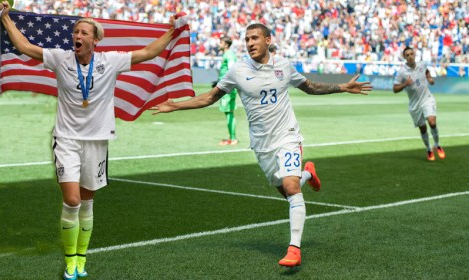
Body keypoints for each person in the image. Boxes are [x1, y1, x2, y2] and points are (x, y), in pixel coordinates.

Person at [152, 23, 372, 267]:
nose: (250, 43)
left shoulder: (284, 66)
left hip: (287, 135)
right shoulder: (238, 70)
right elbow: (210, 97)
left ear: (268, 40)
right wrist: (175, 105)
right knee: (286, 190)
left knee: (291, 188)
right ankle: (307, 173)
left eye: (255, 38)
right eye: (246, 39)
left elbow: (310, 87)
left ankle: (294, 250)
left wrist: (342, 87)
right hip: (262, 144)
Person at [0, 2, 175, 279]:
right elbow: (25, 47)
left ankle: (82, 258)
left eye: (84, 33)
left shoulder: (111, 61)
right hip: (67, 139)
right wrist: (5, 18)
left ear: (95, 39)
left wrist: (173, 30)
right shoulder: (60, 58)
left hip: (97, 142)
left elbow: (148, 53)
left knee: (88, 202)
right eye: (75, 32)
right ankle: (70, 260)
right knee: (72, 201)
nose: (77, 37)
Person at [393, 46, 445, 161]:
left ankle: (437, 145)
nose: (410, 57)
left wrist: (430, 78)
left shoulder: (422, 64)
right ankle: (429, 150)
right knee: (423, 129)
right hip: (414, 105)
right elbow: (395, 89)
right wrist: (405, 84)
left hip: (427, 99)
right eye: (407, 55)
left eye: (411, 54)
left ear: (414, 54)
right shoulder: (402, 72)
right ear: (404, 57)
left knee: (432, 122)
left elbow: (426, 71)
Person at [217, 37, 239, 145]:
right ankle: (232, 137)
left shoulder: (229, 55)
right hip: (225, 87)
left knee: (229, 112)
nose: (219, 44)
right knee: (228, 112)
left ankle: (233, 138)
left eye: (221, 42)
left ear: (226, 45)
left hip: (228, 88)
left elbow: (231, 70)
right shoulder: (227, 54)